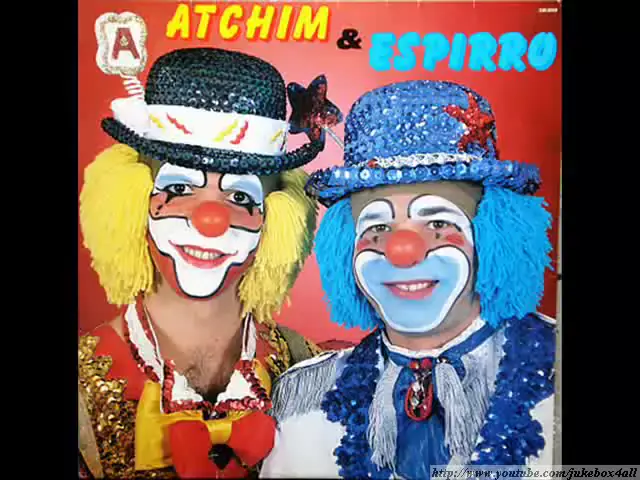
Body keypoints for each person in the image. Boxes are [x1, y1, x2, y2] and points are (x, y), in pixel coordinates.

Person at [261, 80, 557, 478]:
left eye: (437, 223)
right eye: (378, 228)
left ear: (491, 233)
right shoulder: (303, 403)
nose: (402, 251)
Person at [78, 47, 326, 479]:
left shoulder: (315, 376)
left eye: (241, 196)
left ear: (278, 216)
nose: (210, 221)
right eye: (179, 188)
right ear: (131, 196)